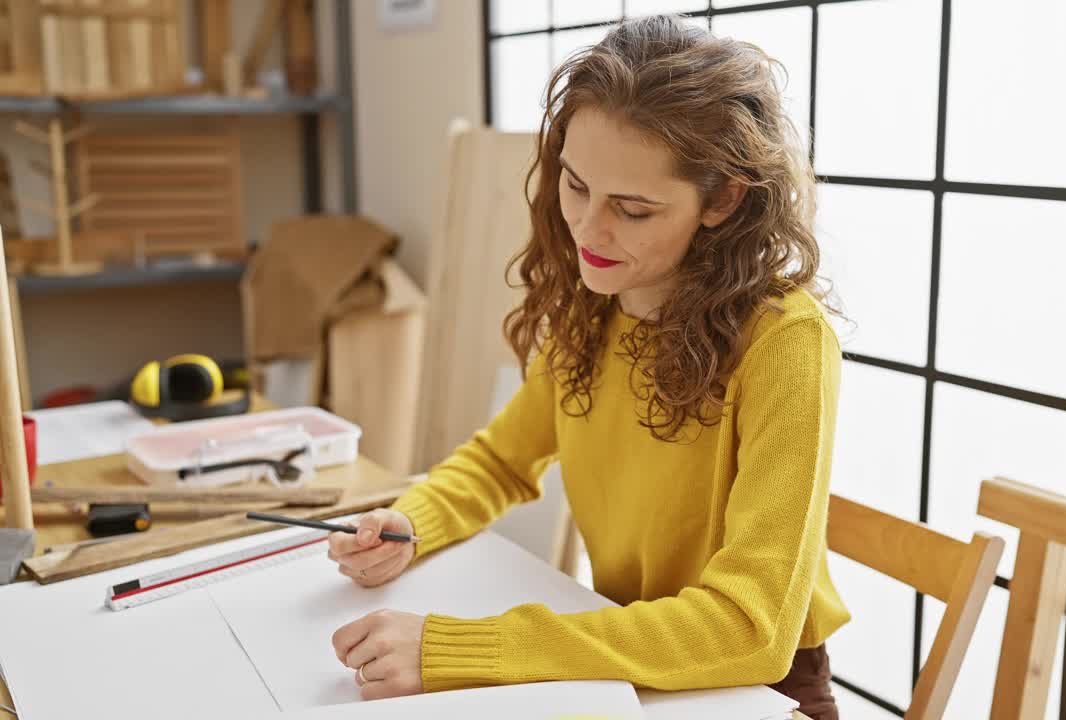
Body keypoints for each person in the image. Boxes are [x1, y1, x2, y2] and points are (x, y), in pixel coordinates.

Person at [326, 14, 849, 719]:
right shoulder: (599, 301)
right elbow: (500, 462)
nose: (588, 230)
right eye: (574, 185)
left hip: (753, 689)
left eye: (633, 210)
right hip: (624, 656)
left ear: (724, 200)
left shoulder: (784, 342)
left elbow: (748, 629)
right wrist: (409, 523)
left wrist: (463, 652)